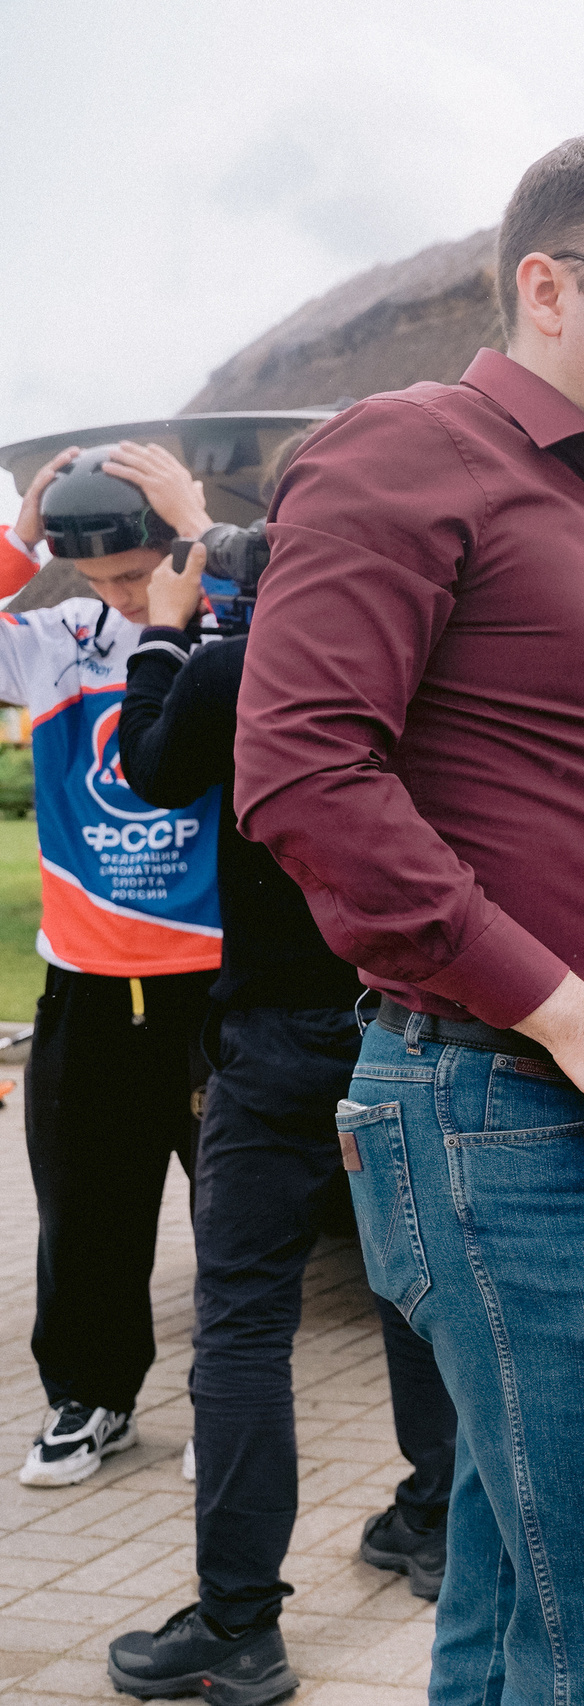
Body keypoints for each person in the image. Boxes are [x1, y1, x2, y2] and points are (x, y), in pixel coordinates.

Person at [233, 133, 584, 1706]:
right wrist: (581, 1016)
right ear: (548, 287)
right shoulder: (408, 453)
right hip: (506, 1114)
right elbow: (305, 776)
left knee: (522, 1562)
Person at [102, 449, 459, 1703]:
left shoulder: (236, 666)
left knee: (244, 1317)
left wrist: (159, 628)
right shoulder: (443, 660)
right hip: (418, 1019)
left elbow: (149, 764)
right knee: (412, 1281)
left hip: (274, 1037)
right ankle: (436, 1516)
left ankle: (240, 1624)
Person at [1, 443, 223, 1489]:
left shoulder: (227, 621)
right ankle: (92, 1397)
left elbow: (316, 607)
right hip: (88, 983)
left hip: (220, 985)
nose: (133, 596)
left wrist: (200, 530)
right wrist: (15, 543)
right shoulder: (53, 644)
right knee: (85, 1208)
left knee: (235, 1212)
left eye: (144, 570)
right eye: (107, 580)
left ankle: (229, 1405)